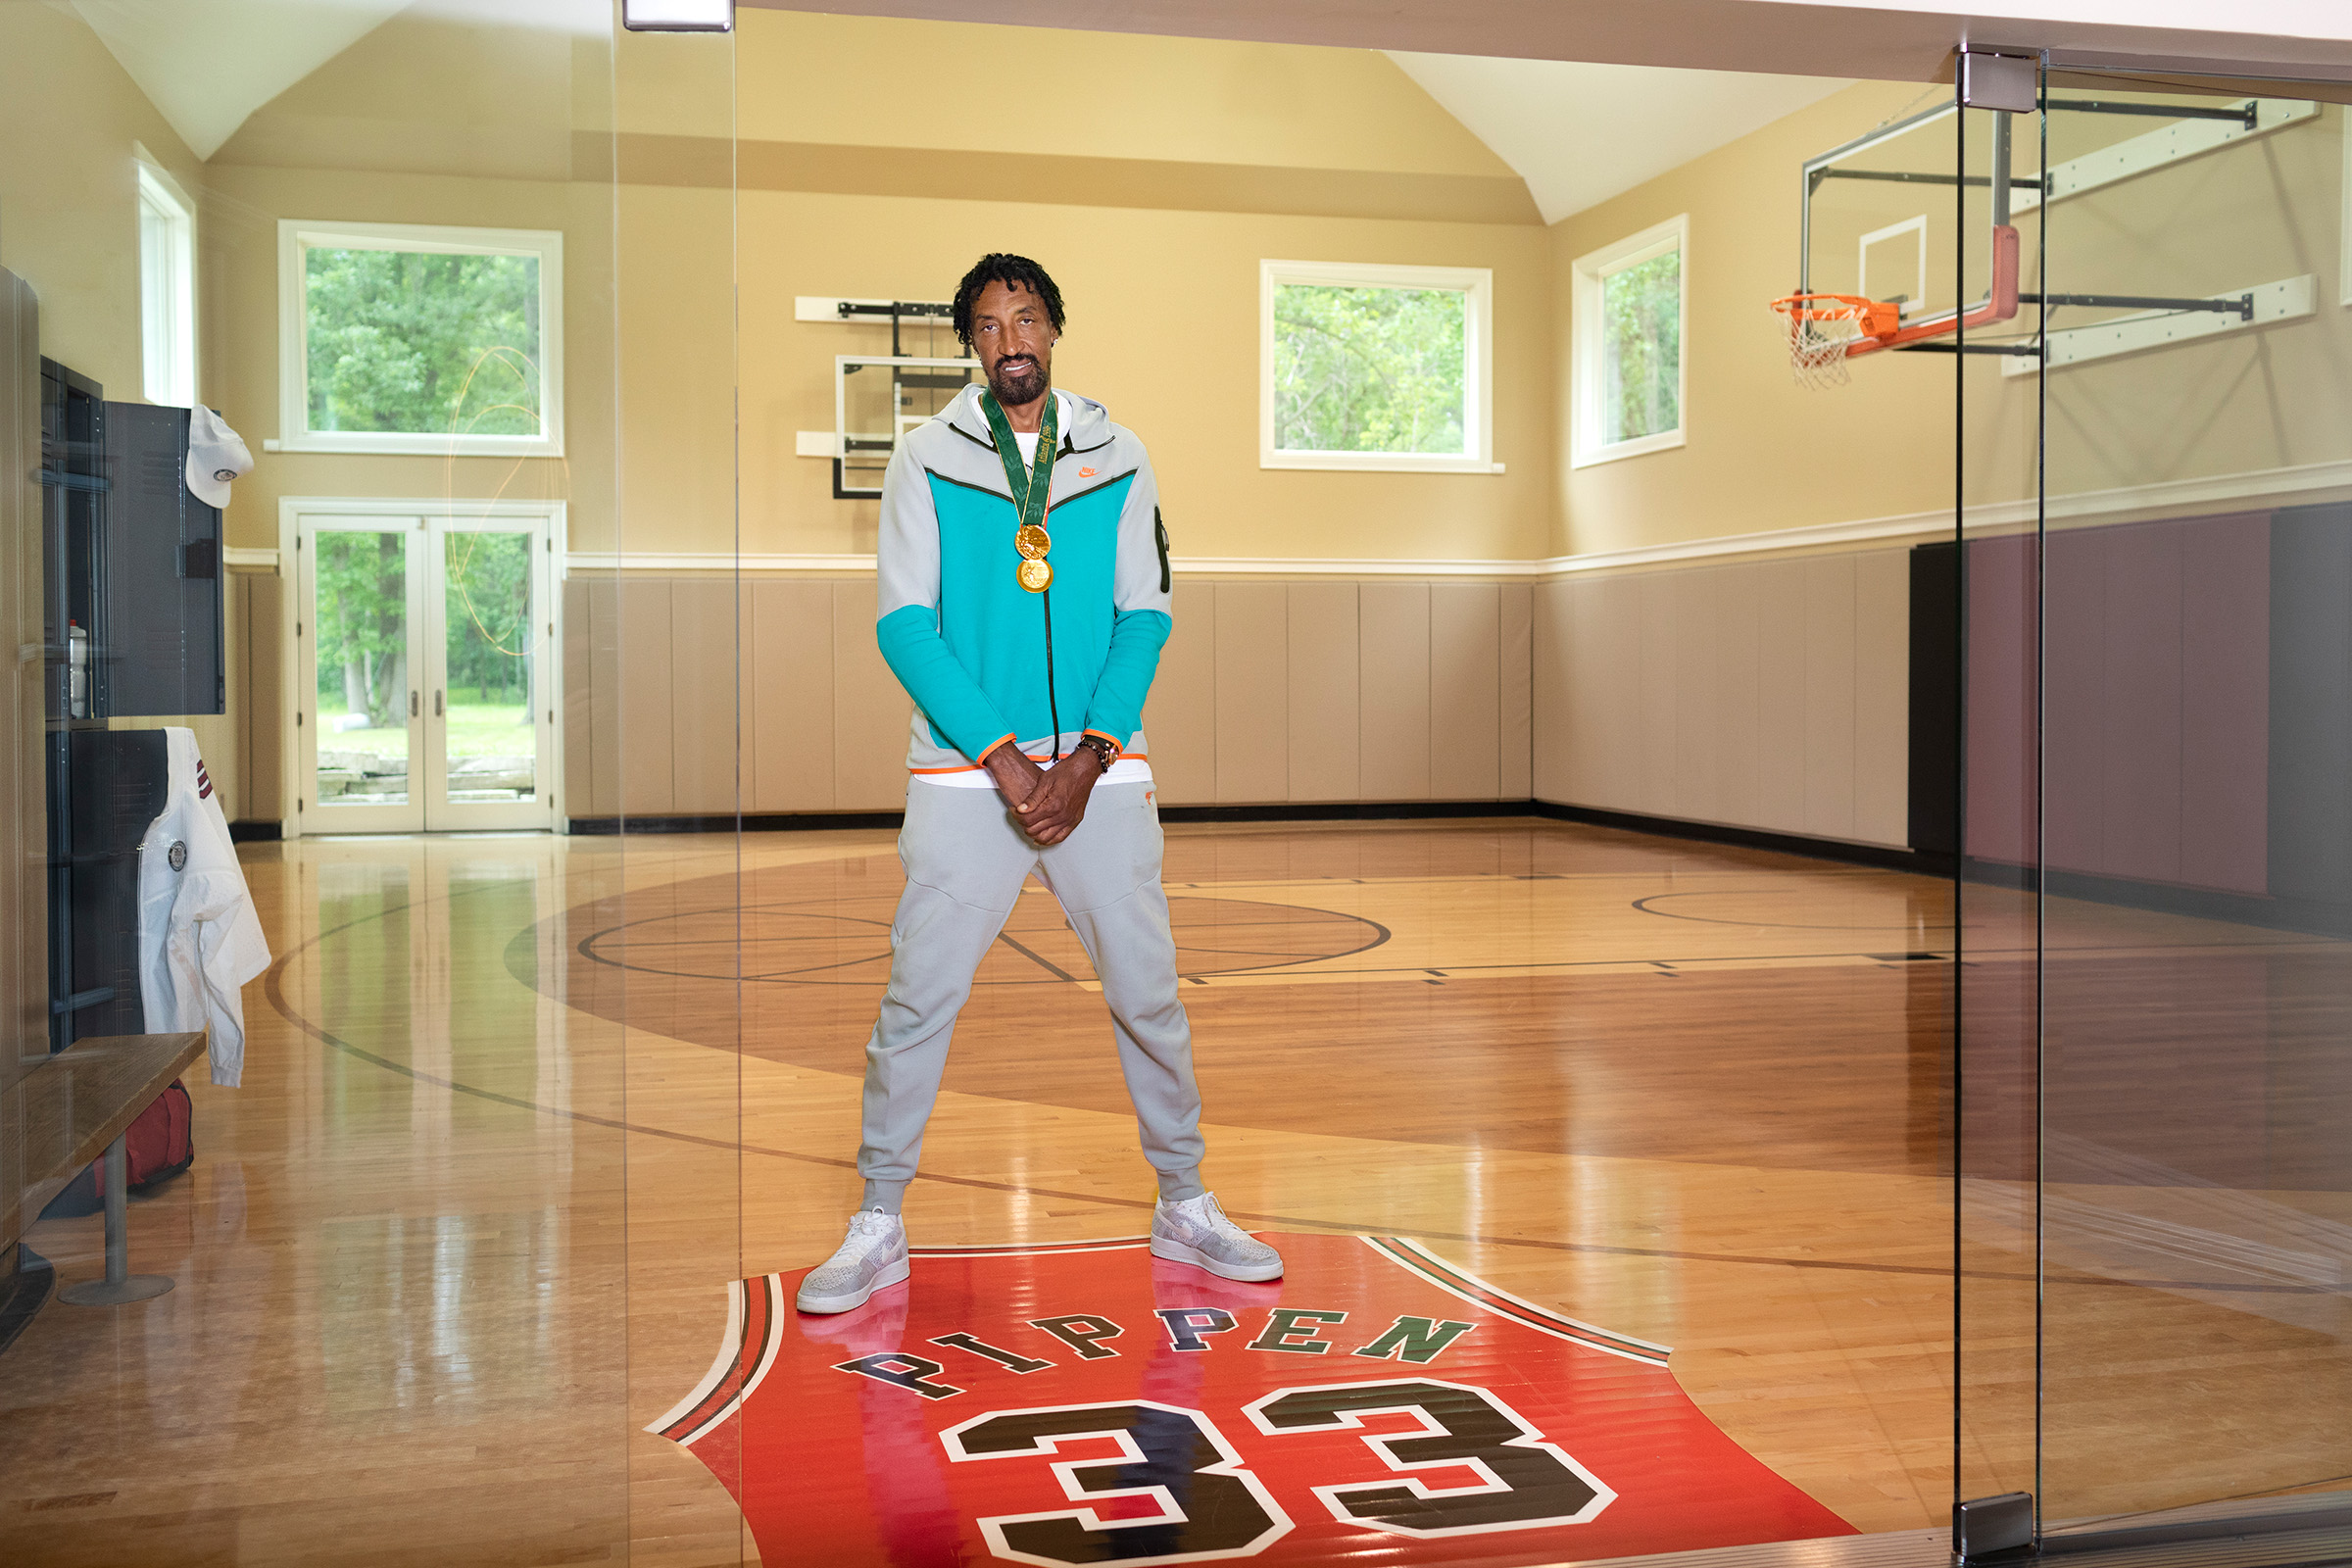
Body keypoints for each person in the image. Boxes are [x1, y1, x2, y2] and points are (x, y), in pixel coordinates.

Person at [796, 253, 1282, 1314]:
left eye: (1026, 318)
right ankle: (879, 1219)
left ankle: (1186, 1200)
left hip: (1101, 774)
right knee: (917, 1002)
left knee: (1150, 997)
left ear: (1055, 329)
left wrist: (1091, 752)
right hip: (971, 778)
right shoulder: (925, 455)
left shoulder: (1120, 454)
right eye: (986, 325)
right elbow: (904, 623)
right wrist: (1008, 757)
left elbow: (1144, 611)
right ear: (971, 346)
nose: (1009, 339)